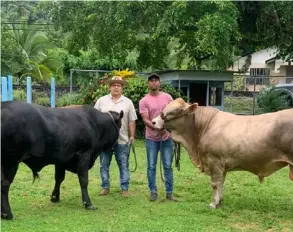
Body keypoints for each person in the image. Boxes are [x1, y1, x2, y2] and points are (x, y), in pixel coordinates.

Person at [94, 76, 137, 197]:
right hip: (105, 141)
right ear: (109, 87)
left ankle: (124, 188)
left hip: (122, 139)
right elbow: (94, 119)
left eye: (119, 85)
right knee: (104, 165)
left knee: (123, 164)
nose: (116, 87)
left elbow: (131, 121)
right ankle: (105, 187)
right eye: (114, 85)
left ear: (122, 87)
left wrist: (132, 135)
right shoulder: (101, 101)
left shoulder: (128, 102)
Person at [139, 73, 177, 201]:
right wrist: (156, 127)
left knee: (167, 165)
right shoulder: (144, 101)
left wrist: (167, 127)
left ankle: (169, 192)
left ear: (159, 83)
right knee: (151, 166)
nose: (154, 82)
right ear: (148, 84)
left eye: (156, 80)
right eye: (151, 81)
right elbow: (145, 119)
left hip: (166, 138)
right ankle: (153, 191)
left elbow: (173, 114)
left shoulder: (167, 98)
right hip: (151, 139)